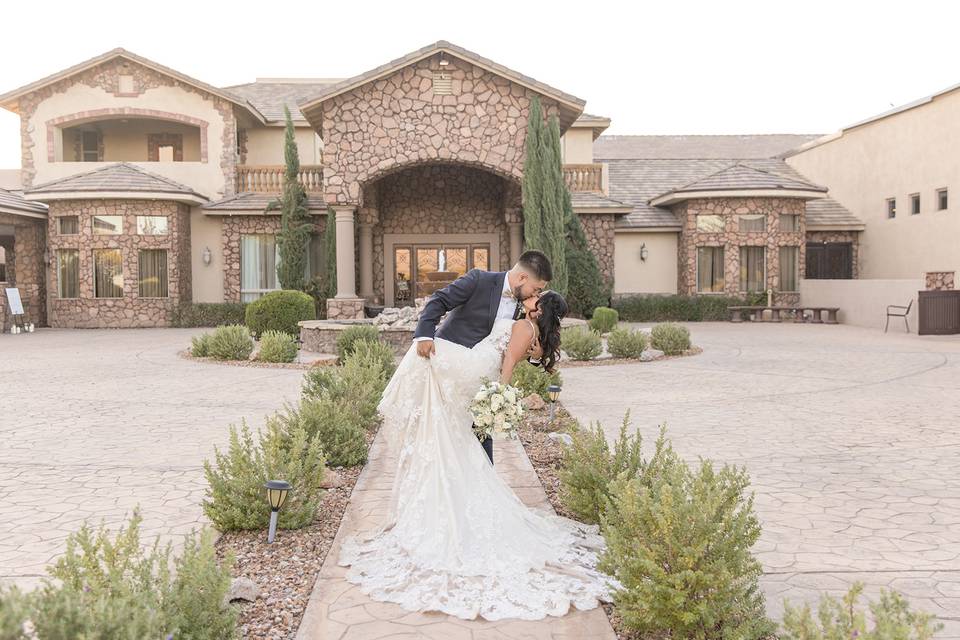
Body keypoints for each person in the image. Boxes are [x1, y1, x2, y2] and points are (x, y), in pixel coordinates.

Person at [337, 275, 615, 621]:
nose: (532, 298)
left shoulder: (521, 327)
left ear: (539, 308)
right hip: (473, 372)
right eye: (535, 292)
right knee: (454, 441)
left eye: (538, 297)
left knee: (448, 431)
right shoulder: (528, 326)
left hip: (475, 375)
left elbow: (509, 362)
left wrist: (498, 396)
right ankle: (453, 497)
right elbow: (519, 347)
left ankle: (456, 508)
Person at [412, 250, 552, 464]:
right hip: (451, 369)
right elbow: (439, 300)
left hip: (484, 379)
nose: (537, 295)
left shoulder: (527, 305)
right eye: (536, 289)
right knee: (445, 433)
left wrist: (537, 354)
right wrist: (424, 334)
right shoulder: (479, 280)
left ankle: (483, 479)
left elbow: (527, 339)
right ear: (523, 278)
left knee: (481, 433)